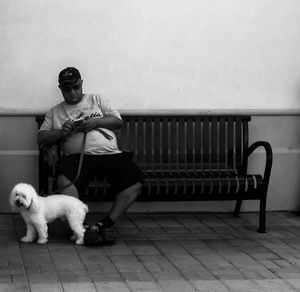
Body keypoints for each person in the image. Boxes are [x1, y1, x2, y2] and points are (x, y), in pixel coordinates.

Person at [38, 67, 144, 245]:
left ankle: (105, 224)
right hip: (78, 157)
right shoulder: (56, 112)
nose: (72, 92)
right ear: (60, 89)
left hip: (111, 154)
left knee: (135, 181)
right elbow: (42, 138)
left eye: (75, 87)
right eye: (67, 89)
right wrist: (62, 132)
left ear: (81, 83)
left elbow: (118, 122)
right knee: (64, 182)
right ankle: (82, 227)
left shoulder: (97, 99)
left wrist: (96, 122)